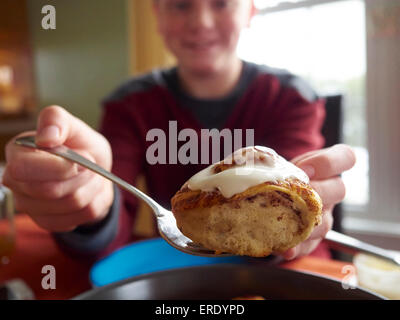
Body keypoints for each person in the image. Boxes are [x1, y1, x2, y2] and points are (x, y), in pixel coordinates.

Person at [1, 0, 355, 261]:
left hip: (287, 276)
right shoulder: (131, 104)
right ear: (157, 15)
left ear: (249, 11)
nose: (200, 21)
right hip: (175, 273)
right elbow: (112, 225)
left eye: (220, 4)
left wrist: (310, 209)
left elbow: (306, 222)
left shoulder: (291, 98)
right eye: (180, 5)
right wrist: (90, 202)